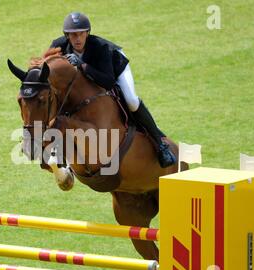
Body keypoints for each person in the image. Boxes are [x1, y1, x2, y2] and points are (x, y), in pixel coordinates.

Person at [49, 12, 176, 168]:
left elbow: (108, 82)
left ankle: (160, 145)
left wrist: (81, 64)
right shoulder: (58, 46)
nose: (77, 39)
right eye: (73, 35)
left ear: (87, 33)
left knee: (131, 100)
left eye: (81, 34)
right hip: (90, 76)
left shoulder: (101, 48)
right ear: (66, 36)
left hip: (115, 67)